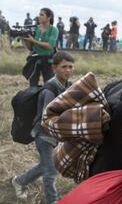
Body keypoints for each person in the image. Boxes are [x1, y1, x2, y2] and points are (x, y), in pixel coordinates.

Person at [12, 51, 75, 204]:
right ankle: (52, 201)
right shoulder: (50, 90)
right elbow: (48, 119)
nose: (68, 70)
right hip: (44, 135)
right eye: (63, 67)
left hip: (56, 135)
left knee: (46, 166)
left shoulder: (69, 86)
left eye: (70, 67)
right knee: (51, 171)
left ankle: (19, 181)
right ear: (54, 68)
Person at [22, 8, 59, 87]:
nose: (39, 16)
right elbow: (31, 48)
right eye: (39, 14)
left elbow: (49, 46)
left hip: (48, 61)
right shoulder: (36, 29)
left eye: (42, 15)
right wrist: (26, 40)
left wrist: (34, 41)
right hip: (35, 60)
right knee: (32, 85)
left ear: (49, 17)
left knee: (49, 84)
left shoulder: (53, 30)